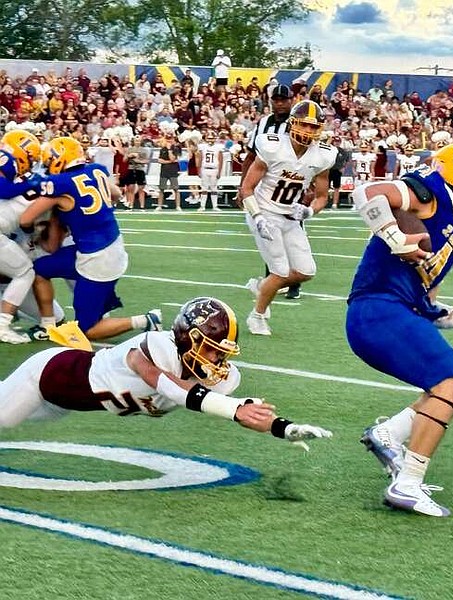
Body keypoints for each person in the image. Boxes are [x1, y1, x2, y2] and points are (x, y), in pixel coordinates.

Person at [348, 143, 453, 517]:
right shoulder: (429, 191)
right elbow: (365, 193)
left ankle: (389, 435)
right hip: (375, 310)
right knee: (448, 381)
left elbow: (425, 305)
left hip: (401, 312)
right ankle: (407, 484)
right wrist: (393, 237)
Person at [0, 296, 333, 449]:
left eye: (221, 351)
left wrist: (282, 428)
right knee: (4, 419)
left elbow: (242, 413)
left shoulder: (215, 376)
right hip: (49, 374)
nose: (216, 359)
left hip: (67, 403)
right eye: (211, 347)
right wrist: (233, 408)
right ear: (187, 338)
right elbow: (170, 387)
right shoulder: (154, 346)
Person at [20, 136, 163, 341]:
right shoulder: (96, 170)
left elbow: (26, 219)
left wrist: (35, 228)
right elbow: (114, 194)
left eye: (51, 161)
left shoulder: (60, 182)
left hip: (96, 259)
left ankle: (146, 320)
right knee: (41, 269)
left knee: (87, 330)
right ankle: (48, 326)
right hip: (109, 246)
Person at [239, 100, 337, 336]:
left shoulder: (323, 156)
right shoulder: (273, 146)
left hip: (290, 216)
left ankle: (262, 287)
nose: (308, 131)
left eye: (314, 127)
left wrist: (309, 211)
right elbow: (247, 188)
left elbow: (322, 196)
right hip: (264, 211)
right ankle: (257, 316)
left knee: (306, 271)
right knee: (280, 271)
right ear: (292, 123)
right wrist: (258, 216)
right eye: (304, 125)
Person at [239, 84, 303, 299]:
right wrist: (243, 185)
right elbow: (251, 155)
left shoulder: (298, 123)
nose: (279, 103)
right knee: (268, 233)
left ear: (291, 100)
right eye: (276, 99)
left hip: (289, 185)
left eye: (283, 100)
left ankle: (293, 283)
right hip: (265, 186)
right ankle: (272, 281)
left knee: (292, 232)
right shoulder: (264, 123)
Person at [0, 130, 43, 343]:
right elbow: (3, 189)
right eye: (31, 157)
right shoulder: (5, 158)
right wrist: (30, 182)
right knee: (24, 272)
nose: (31, 162)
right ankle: (3, 325)